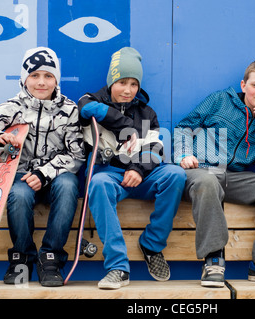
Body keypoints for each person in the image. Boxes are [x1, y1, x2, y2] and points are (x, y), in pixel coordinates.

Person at [174, 60, 255, 287]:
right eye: (254, 85)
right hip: (200, 171)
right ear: (244, 85)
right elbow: (185, 126)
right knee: (207, 180)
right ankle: (213, 259)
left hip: (233, 177)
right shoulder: (220, 100)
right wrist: (184, 154)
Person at [0, 47, 85, 286]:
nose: (41, 82)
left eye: (48, 76)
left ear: (56, 80)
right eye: (35, 75)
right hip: (20, 175)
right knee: (17, 194)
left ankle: (51, 258)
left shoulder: (69, 110)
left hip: (56, 177)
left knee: (70, 185)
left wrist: (44, 173)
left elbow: (77, 154)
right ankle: (22, 257)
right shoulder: (13, 107)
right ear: (24, 78)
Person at [77, 47, 186, 289]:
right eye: (122, 82)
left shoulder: (147, 112)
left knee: (175, 174)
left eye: (134, 84)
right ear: (111, 81)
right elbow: (85, 107)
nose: (128, 90)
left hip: (142, 176)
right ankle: (118, 267)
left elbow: (155, 150)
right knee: (98, 183)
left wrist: (137, 169)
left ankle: (152, 244)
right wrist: (123, 123)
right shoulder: (90, 101)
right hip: (110, 175)